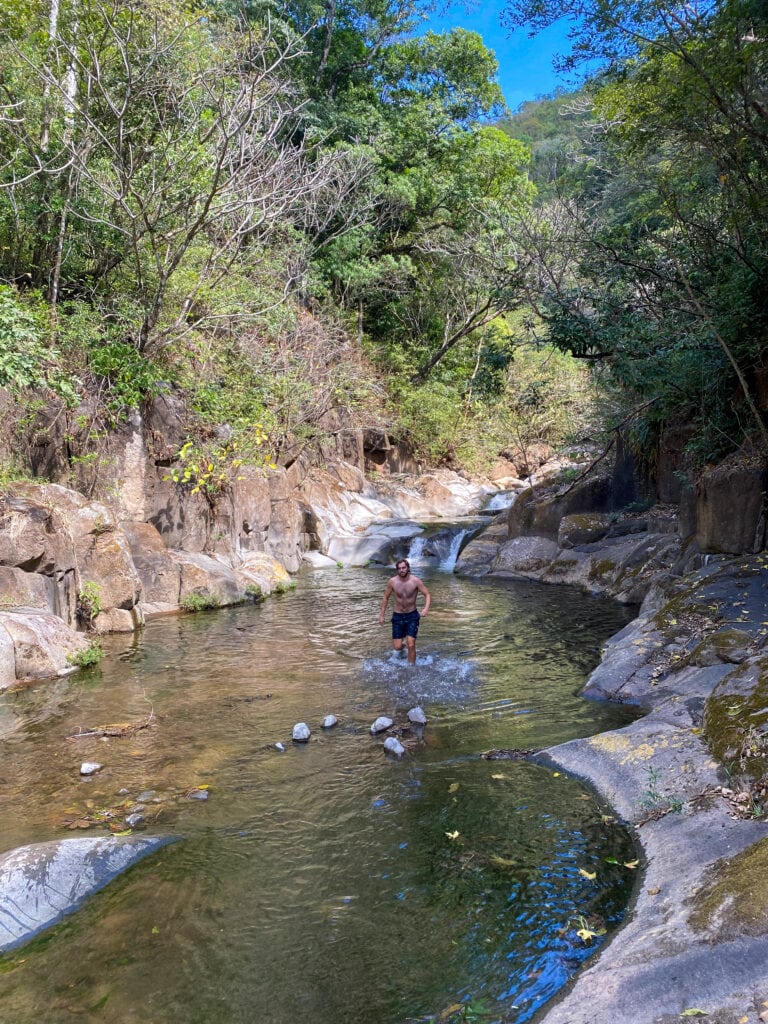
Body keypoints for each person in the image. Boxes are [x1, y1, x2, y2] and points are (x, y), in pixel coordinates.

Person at [378, 558, 431, 665]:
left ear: (408, 568)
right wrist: (382, 615)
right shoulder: (392, 582)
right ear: (397, 570)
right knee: (397, 647)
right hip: (397, 616)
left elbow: (427, 594)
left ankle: (411, 668)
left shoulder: (416, 581)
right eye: (399, 568)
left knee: (411, 644)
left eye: (404, 568)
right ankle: (403, 649)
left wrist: (425, 608)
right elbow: (385, 598)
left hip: (412, 615)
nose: (401, 570)